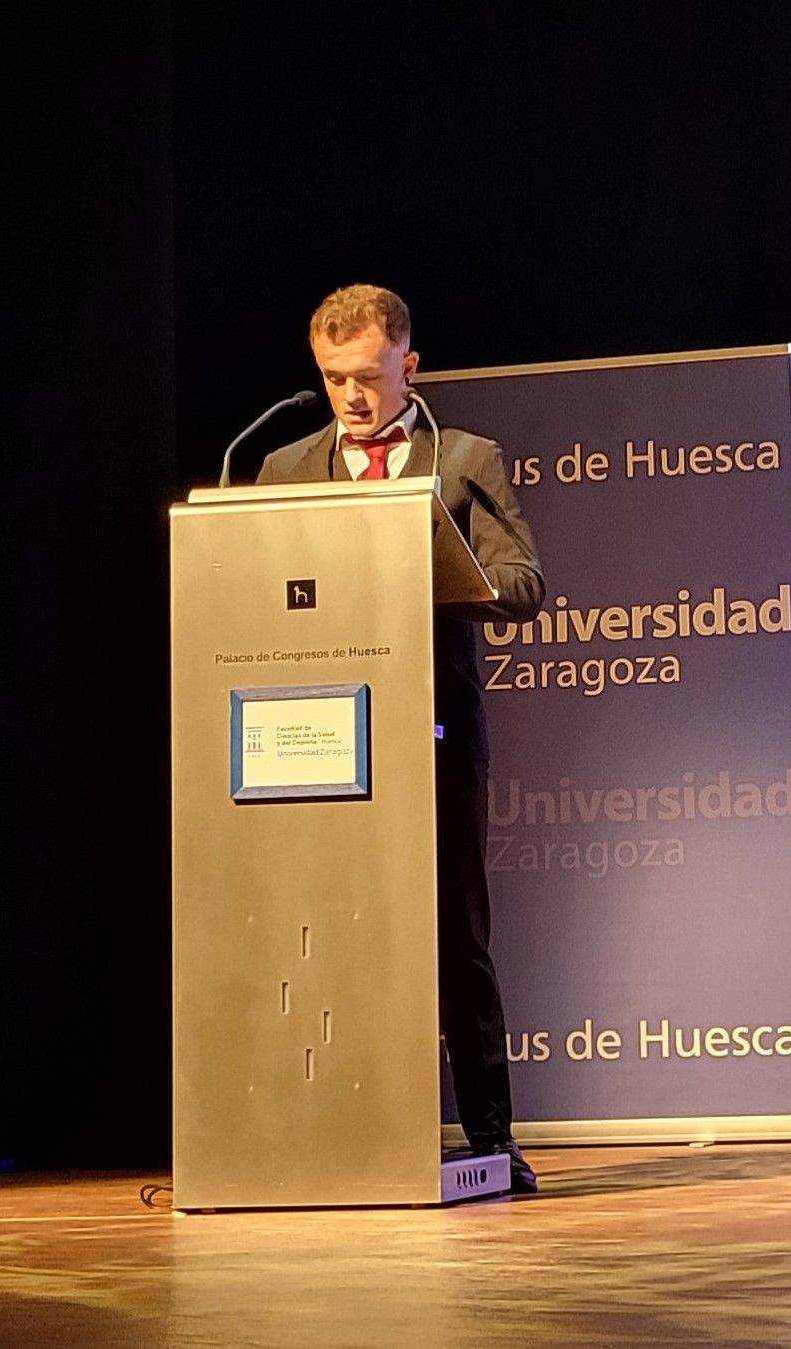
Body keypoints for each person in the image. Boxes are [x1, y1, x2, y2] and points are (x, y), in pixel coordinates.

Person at [256, 284, 546, 1191]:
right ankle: (325, 1132)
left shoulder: (461, 461)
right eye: (335, 378)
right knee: (325, 933)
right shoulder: (278, 468)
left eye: (369, 376)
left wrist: (450, 577)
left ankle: (493, 1140)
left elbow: (525, 582)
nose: (352, 395)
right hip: (315, 736)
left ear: (408, 366)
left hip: (436, 733)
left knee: (455, 940)